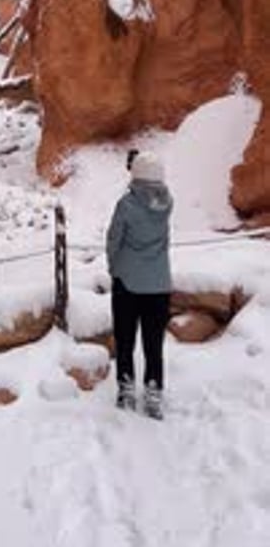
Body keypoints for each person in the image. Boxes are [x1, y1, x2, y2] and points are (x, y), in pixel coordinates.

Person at [106, 150, 173, 419]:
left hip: (128, 283)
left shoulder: (126, 205)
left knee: (125, 339)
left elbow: (114, 240)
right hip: (159, 284)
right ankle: (154, 391)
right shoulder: (168, 203)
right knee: (154, 343)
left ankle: (126, 388)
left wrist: (114, 268)